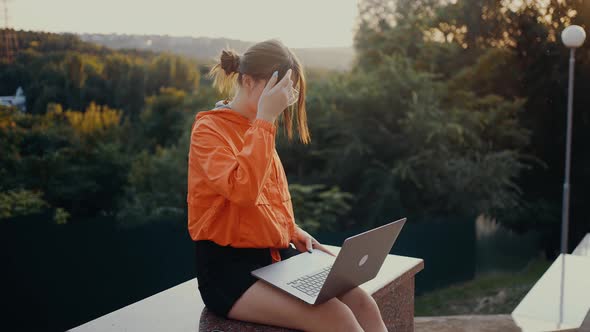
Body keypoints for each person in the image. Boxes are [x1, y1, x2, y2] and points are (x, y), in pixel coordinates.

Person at [187, 39, 387, 332]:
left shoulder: (258, 128)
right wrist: (266, 119)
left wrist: (291, 231)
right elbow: (243, 192)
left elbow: (266, 201)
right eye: (278, 88)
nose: (284, 99)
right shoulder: (209, 130)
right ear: (248, 80)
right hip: (229, 272)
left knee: (362, 303)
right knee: (337, 317)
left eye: (287, 91)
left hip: (274, 256)